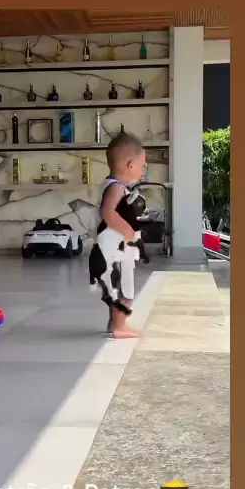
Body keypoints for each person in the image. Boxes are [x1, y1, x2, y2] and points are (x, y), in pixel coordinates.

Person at [89, 132, 147, 339]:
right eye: (142, 166)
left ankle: (115, 322)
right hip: (114, 252)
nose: (143, 170)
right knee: (123, 288)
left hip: (114, 251)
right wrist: (128, 232)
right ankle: (119, 327)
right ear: (130, 165)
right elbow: (108, 213)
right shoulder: (116, 188)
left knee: (117, 287)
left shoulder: (115, 186)